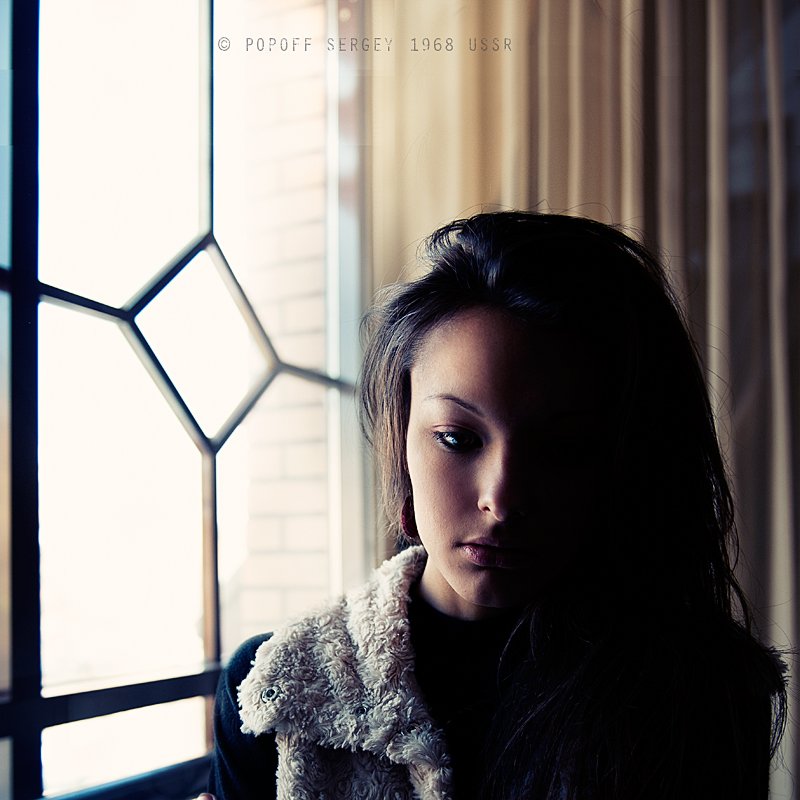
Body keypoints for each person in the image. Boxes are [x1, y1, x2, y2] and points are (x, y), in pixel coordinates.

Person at [203, 211, 787, 799]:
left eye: (561, 448)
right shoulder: (277, 696)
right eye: (457, 438)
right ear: (401, 434)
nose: (501, 499)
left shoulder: (699, 693)